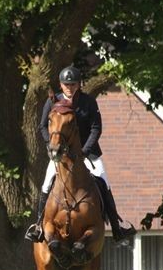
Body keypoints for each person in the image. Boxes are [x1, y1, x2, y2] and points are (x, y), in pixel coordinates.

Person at [25, 65, 136, 243]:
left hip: (88, 153)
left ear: (79, 85)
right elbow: (42, 126)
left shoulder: (88, 102)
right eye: (66, 84)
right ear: (61, 85)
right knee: (47, 183)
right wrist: (51, 145)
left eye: (73, 84)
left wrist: (84, 151)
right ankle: (38, 225)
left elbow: (96, 128)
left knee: (103, 182)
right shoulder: (53, 101)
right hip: (60, 154)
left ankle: (116, 228)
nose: (69, 87)